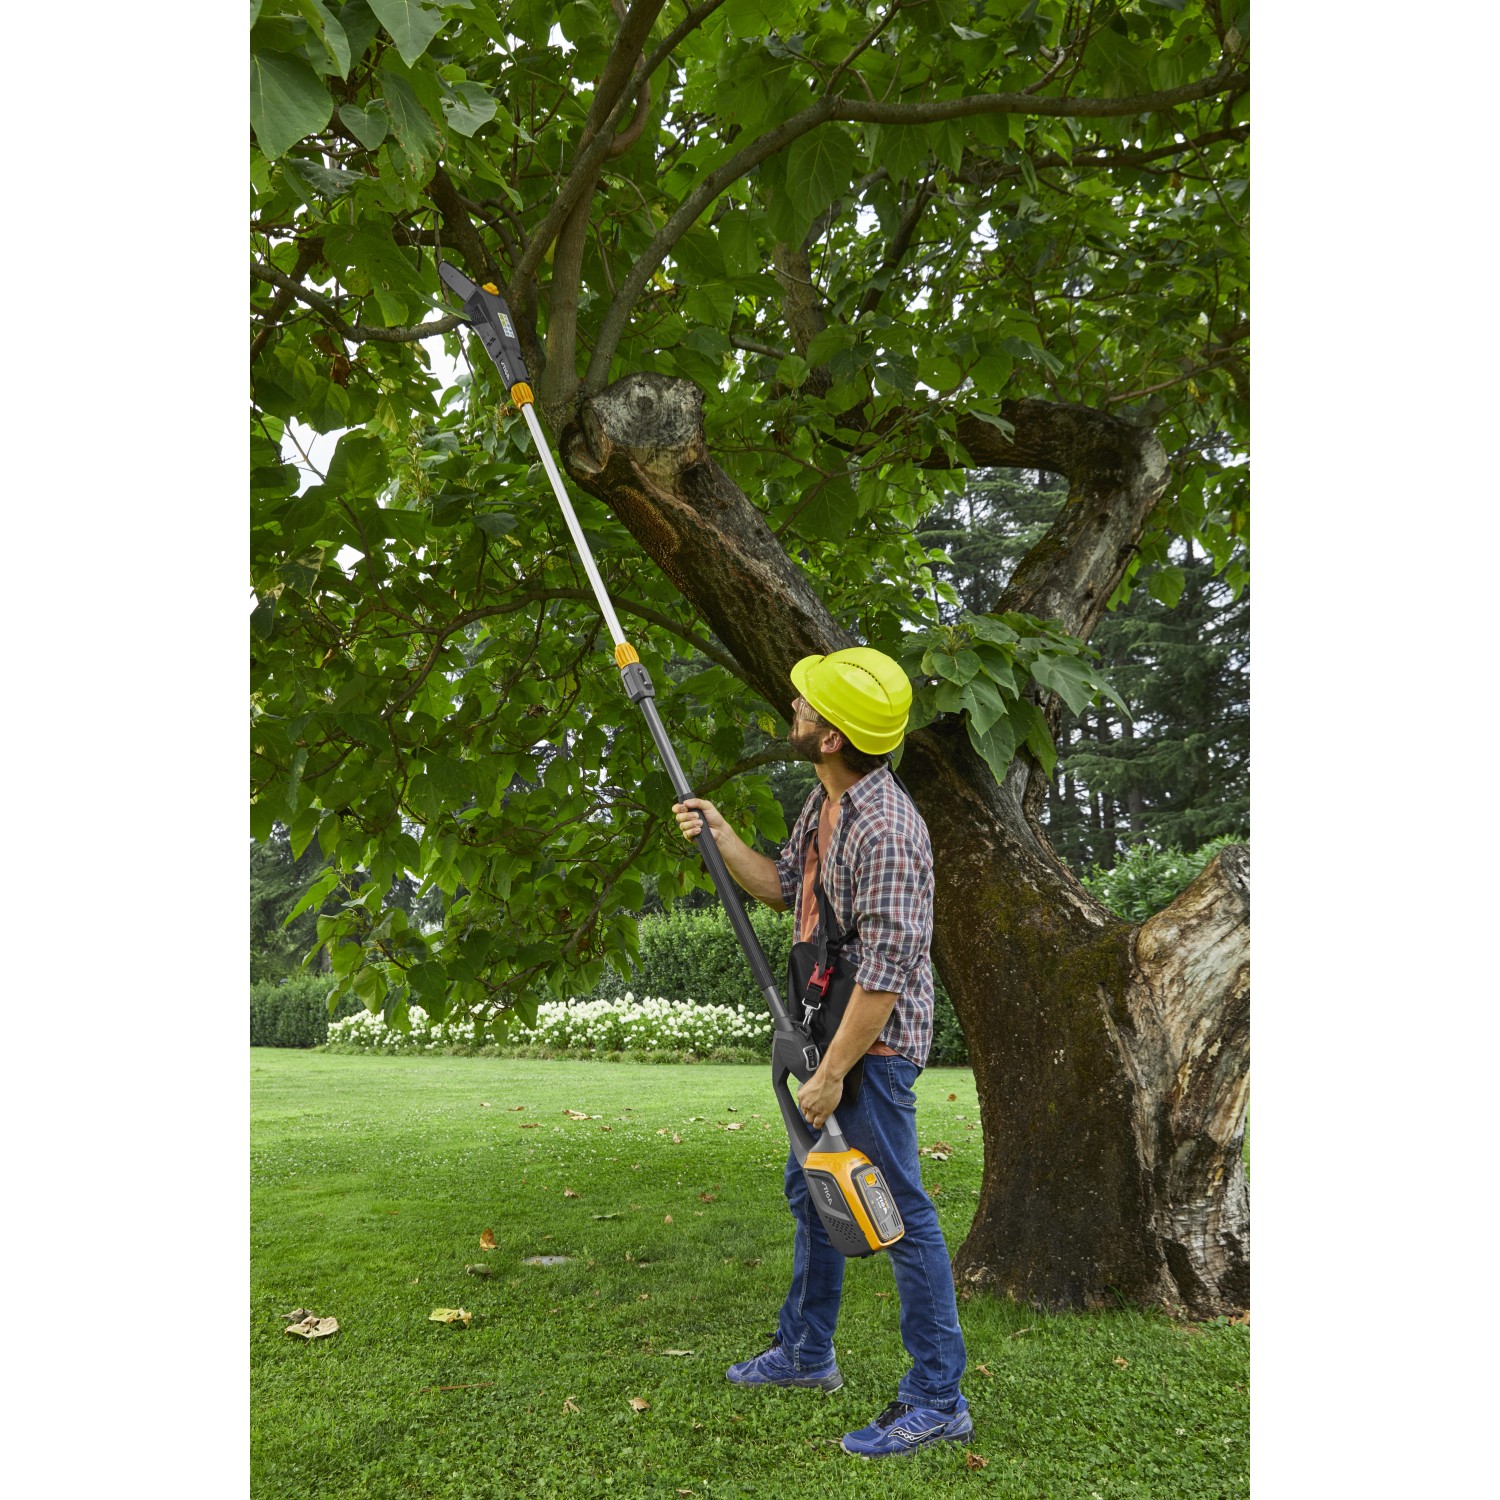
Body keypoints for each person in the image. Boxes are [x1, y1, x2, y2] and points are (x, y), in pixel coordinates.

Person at [672, 646, 970, 1458]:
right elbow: (783, 888)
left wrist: (833, 1074)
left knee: (899, 1215)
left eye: (806, 706)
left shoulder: (889, 831)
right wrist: (722, 836)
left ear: (833, 738)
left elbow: (885, 976)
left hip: (871, 1046)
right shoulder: (825, 801)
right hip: (824, 1029)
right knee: (812, 1193)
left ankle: (938, 1398)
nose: (794, 710)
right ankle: (807, 1353)